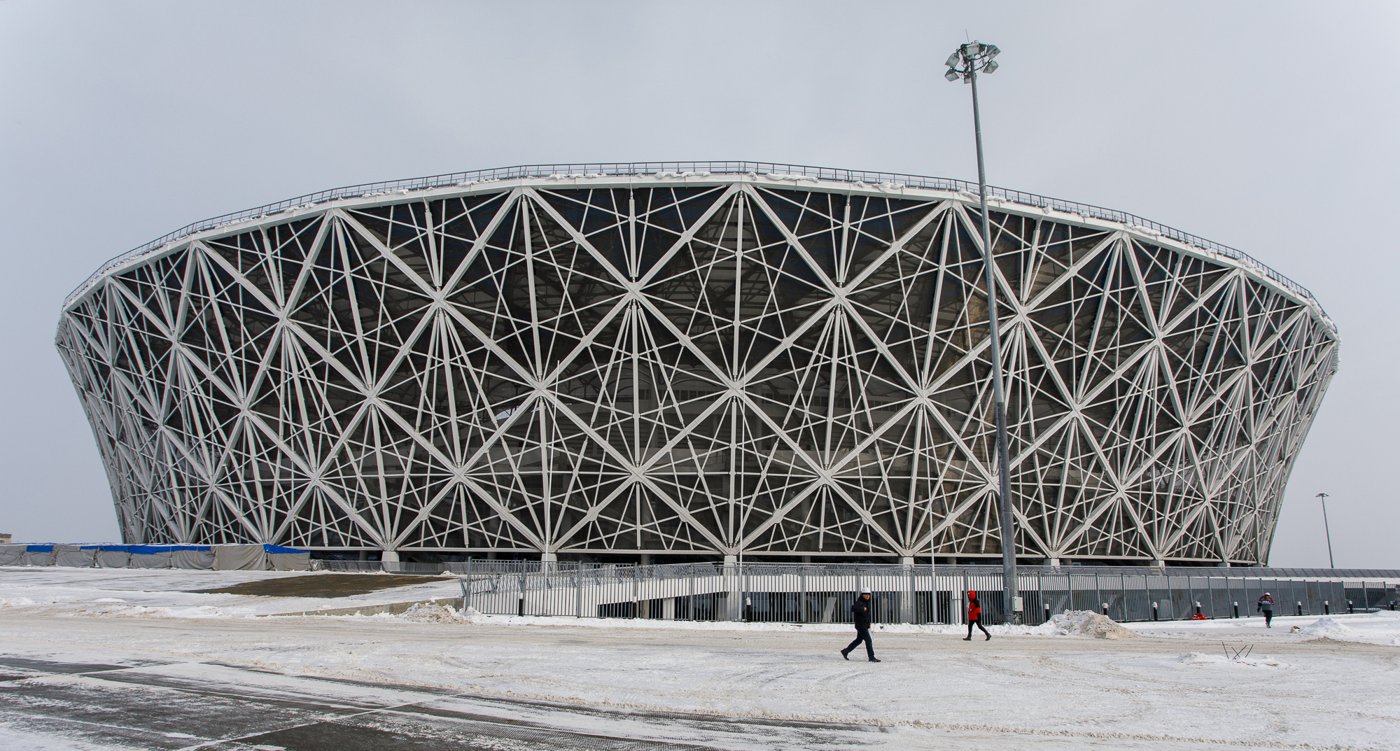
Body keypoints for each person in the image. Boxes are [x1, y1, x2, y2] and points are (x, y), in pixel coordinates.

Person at [840, 587, 880, 662]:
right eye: (866, 594)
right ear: (862, 595)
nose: (868, 596)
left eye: (869, 594)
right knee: (868, 640)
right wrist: (862, 609)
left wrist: (868, 624)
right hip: (861, 625)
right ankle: (871, 657)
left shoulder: (867, 602)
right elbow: (853, 608)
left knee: (858, 640)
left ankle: (845, 651)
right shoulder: (860, 602)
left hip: (864, 625)